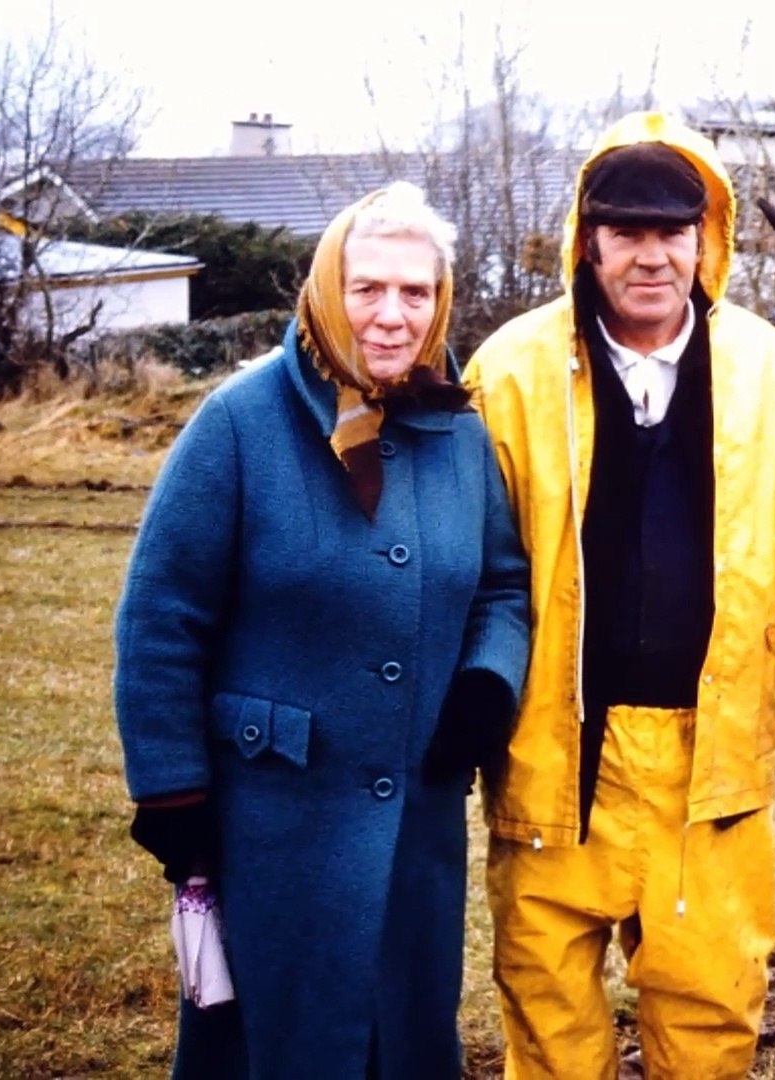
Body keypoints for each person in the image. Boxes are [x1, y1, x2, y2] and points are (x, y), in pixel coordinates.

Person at [464, 111, 775, 1079]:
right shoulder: (511, 370)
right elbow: (454, 548)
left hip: (709, 767)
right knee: (549, 1029)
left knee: (711, 1023)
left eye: (671, 232)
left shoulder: (767, 369)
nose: (651, 256)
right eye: (627, 232)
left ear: (706, 238)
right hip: (558, 762)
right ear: (587, 239)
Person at [112, 181, 531, 1078]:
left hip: (417, 815)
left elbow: (502, 584)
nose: (391, 315)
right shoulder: (240, 422)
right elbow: (161, 619)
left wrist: (486, 682)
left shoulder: (456, 430)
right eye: (367, 288)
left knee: (405, 1037)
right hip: (273, 821)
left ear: (440, 300)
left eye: (414, 292)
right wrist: (172, 794)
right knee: (279, 1044)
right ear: (323, 291)